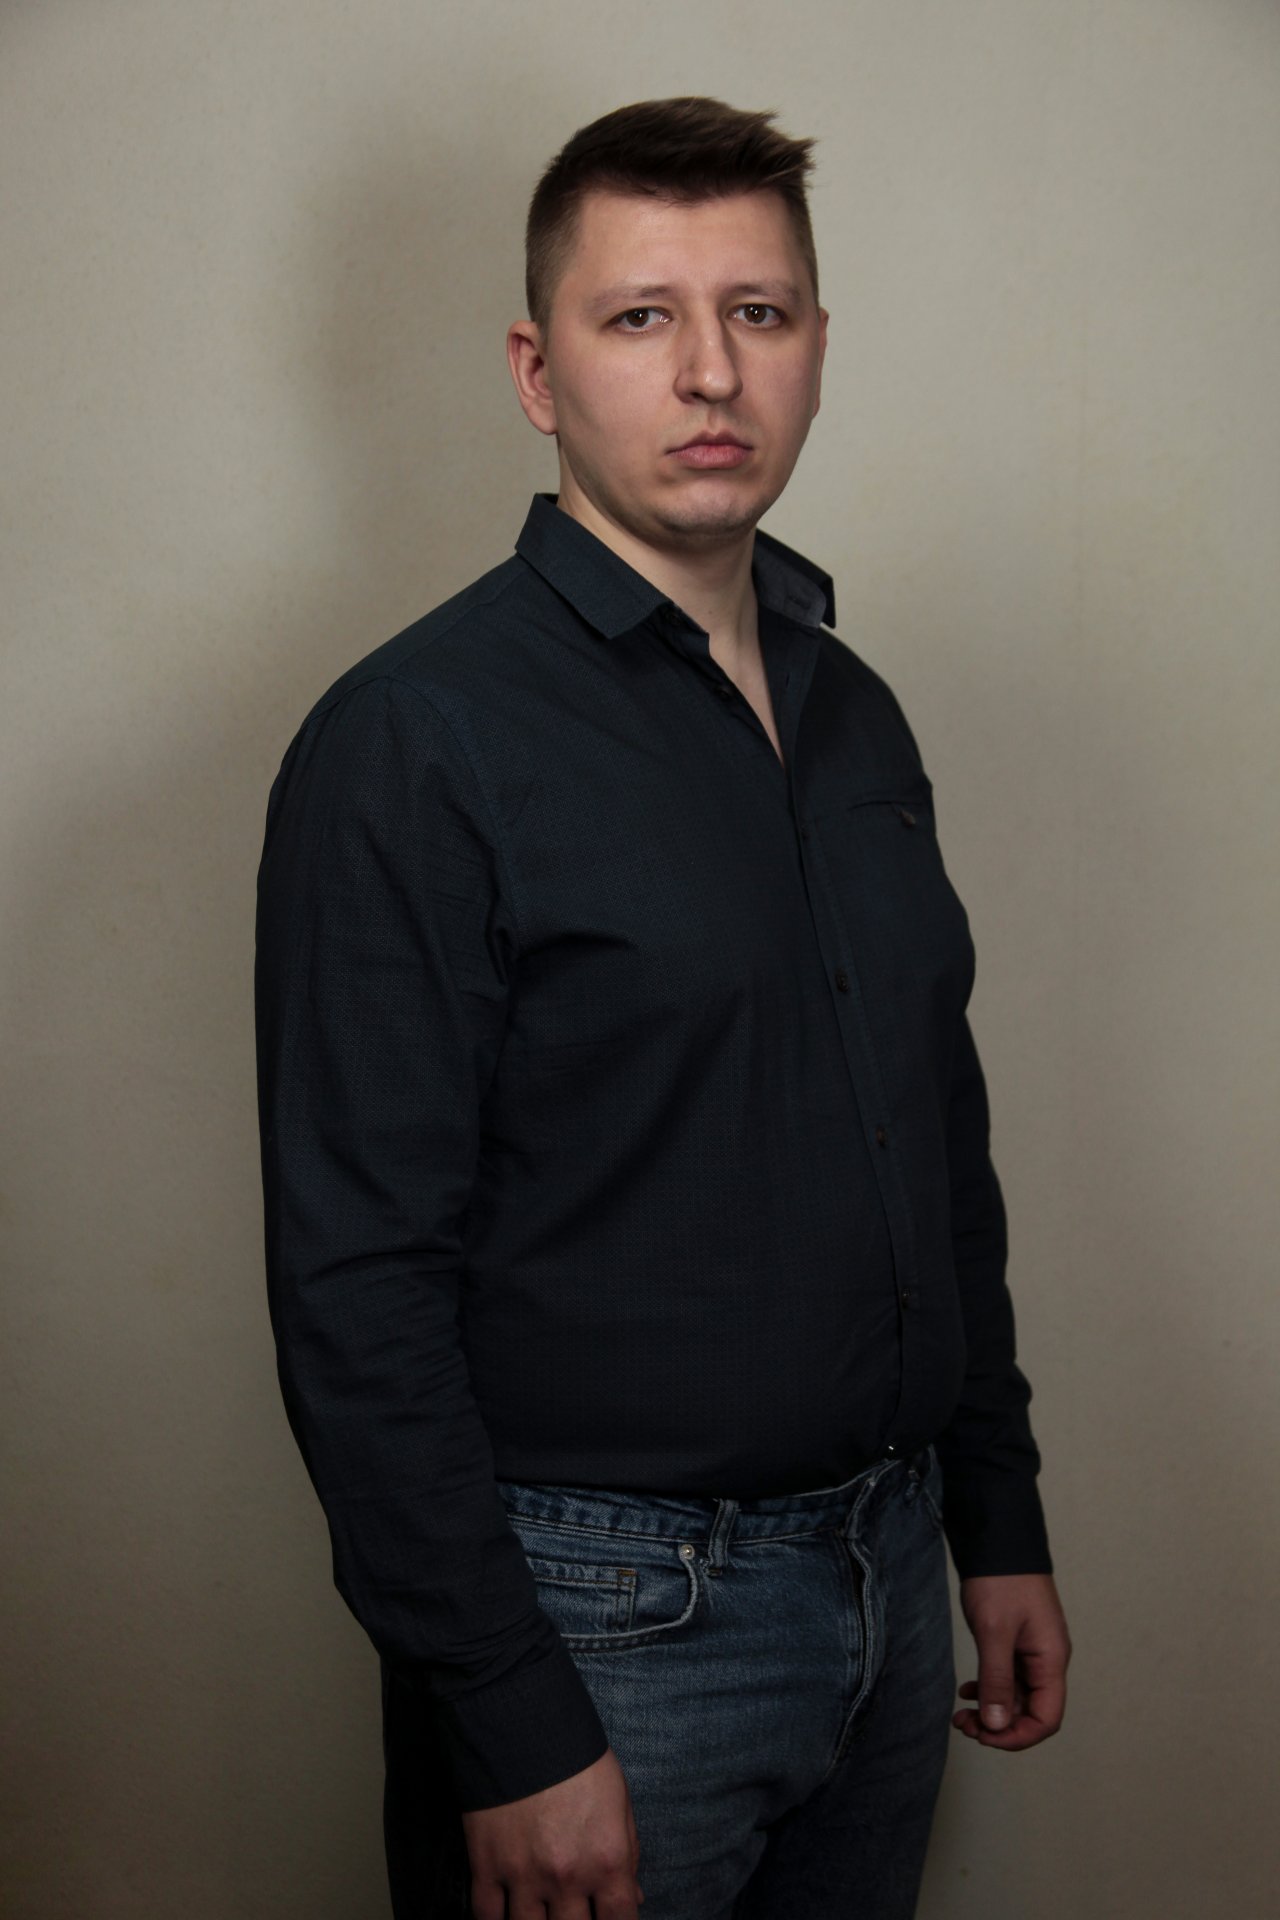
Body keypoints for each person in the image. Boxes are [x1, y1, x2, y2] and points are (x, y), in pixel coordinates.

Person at [254, 95, 1071, 1920]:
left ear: (816, 346)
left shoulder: (857, 716)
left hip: (888, 1572)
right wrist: (503, 1711)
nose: (712, 371)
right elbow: (357, 1283)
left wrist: (993, 1515)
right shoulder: (415, 743)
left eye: (756, 312)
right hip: (604, 1626)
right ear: (538, 374)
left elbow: (934, 1146)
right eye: (642, 318)